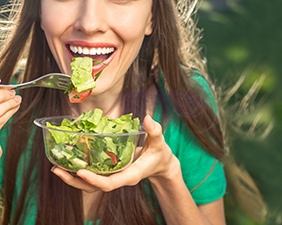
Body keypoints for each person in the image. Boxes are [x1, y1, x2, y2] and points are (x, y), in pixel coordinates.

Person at [0, 0, 227, 224]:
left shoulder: (183, 102)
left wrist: (166, 175)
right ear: (38, 7)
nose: (89, 24)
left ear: (152, 16)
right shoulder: (9, 105)